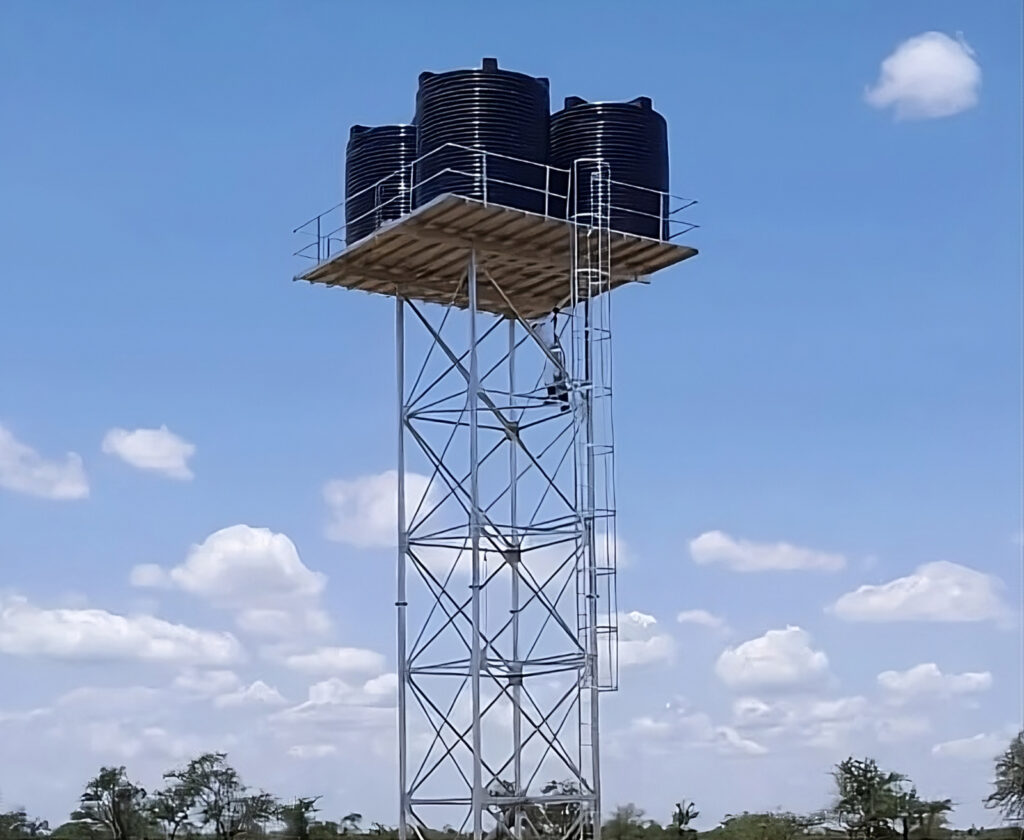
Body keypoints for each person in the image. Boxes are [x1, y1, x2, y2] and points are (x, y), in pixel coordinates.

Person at [531, 311, 570, 412]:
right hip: (552, 349)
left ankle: (556, 397)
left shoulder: (545, 325)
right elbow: (550, 317)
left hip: (551, 349)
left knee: (551, 373)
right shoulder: (547, 324)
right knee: (554, 373)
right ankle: (558, 398)